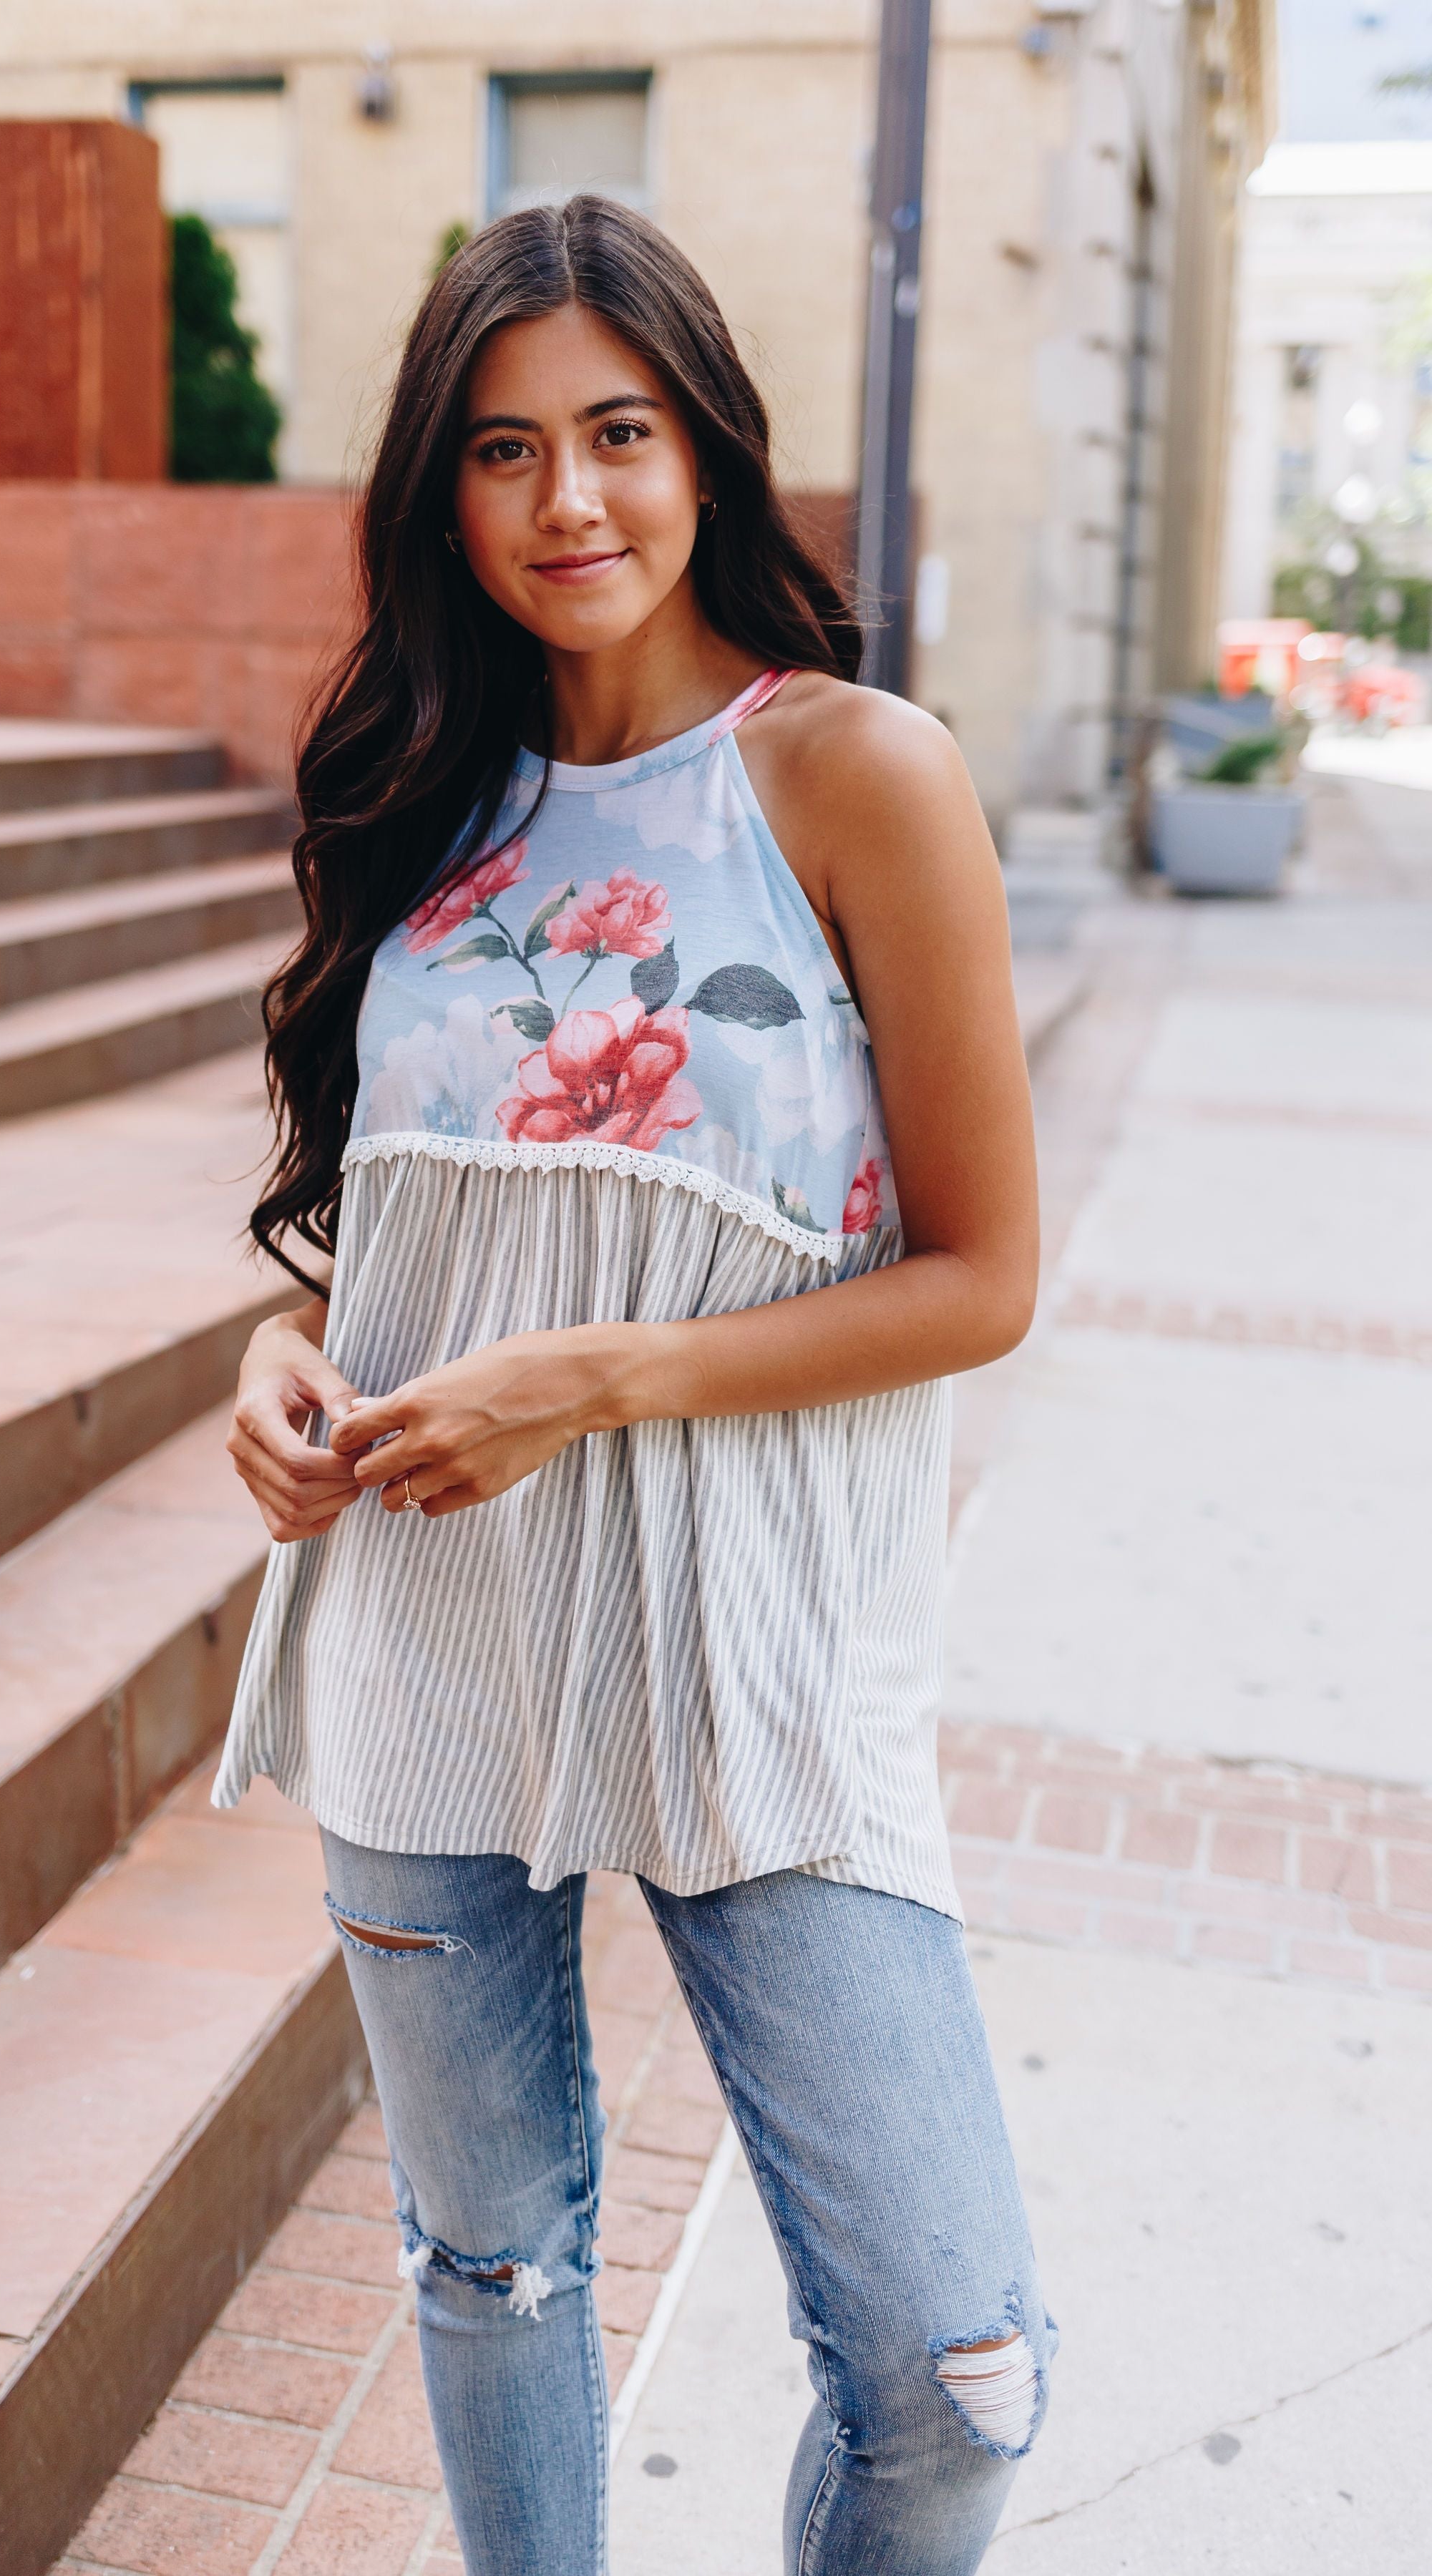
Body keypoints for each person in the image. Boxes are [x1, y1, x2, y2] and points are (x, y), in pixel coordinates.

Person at [218, 193, 1053, 2576]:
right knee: (492, 2272)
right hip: (428, 1638)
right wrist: (280, 1365)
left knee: (954, 2377)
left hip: (754, 1652)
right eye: (502, 451)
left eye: (619, 432)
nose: (568, 501)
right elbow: (375, 1223)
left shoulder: (853, 774)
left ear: (707, 450)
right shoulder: (414, 782)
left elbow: (985, 1277)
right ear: (437, 492)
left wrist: (599, 1378)